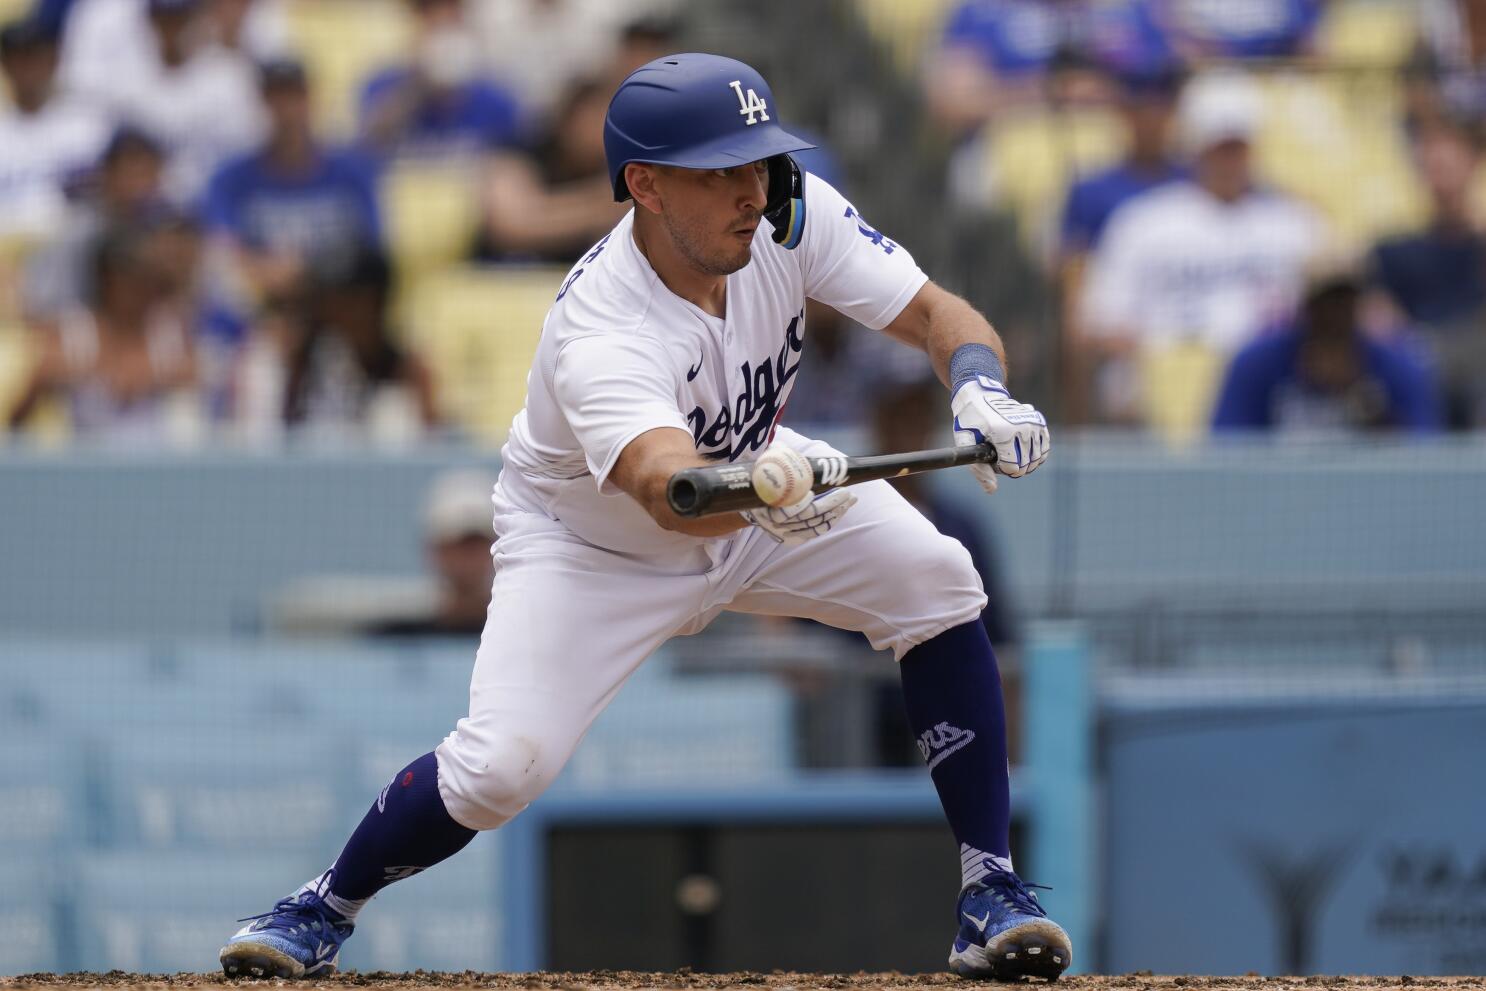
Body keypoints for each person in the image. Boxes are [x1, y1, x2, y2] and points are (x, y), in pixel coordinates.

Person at [217, 53, 1065, 982]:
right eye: (719, 172)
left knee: (939, 579)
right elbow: (674, 496)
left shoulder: (790, 209)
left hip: (758, 487)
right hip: (590, 547)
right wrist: (766, 485)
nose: (751, 190)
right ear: (645, 186)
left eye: (759, 161)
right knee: (502, 768)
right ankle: (320, 908)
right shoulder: (602, 327)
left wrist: (980, 389)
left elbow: (941, 314)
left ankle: (991, 891)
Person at [1078, 68, 1324, 423]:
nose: (1229, 159)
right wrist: (1168, 361)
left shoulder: (1294, 224)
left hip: (1270, 384)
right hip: (1163, 383)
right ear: (1196, 147)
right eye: (1218, 147)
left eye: (1236, 146)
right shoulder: (1144, 221)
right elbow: (1100, 322)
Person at [204, 58, 382, 308]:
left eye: (294, 96)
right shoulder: (230, 178)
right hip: (260, 307)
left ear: (311, 99)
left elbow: (374, 250)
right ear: (262, 103)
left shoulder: (353, 172)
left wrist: (307, 271)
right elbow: (221, 252)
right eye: (276, 98)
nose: (286, 109)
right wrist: (267, 271)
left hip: (336, 303)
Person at [7, 224, 198, 445]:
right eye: (131, 279)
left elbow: (198, 379)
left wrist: (152, 376)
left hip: (157, 467)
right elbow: (18, 421)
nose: (140, 289)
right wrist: (52, 377)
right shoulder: (72, 333)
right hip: (87, 469)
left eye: (146, 278)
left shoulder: (171, 332)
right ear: (107, 280)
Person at [61, 0, 265, 204]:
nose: (172, 29)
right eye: (164, 20)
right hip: (147, 209)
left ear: (196, 19)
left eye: (180, 19)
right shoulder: (128, 84)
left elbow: (246, 153)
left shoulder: (227, 77)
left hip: (210, 203)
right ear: (150, 21)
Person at [1211, 264, 1442, 434]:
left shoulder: (1397, 368)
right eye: (1324, 304)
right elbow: (1228, 448)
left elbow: (1422, 456)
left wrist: (1363, 401)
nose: (1334, 315)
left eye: (1344, 303)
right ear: (1305, 307)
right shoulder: (1256, 364)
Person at [22, 125, 169, 323]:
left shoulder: (160, 230)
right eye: (133, 174)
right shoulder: (76, 231)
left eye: (148, 174)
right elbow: (48, 305)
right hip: (75, 333)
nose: (141, 187)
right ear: (107, 175)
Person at [475, 77, 628, 264]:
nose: (600, 129)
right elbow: (510, 227)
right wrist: (597, 206)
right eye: (594, 116)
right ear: (568, 117)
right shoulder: (520, 153)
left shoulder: (619, 168)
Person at [357, 0, 523, 163]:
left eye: (451, 27)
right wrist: (415, 87)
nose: (443, 41)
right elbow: (367, 145)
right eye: (435, 27)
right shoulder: (383, 86)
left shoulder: (495, 99)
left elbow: (514, 163)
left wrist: (455, 96)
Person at [1371, 114, 1486, 330]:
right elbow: (1381, 321)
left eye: (1448, 162)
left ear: (1472, 161)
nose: (1439, 169)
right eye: (1431, 161)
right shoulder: (1392, 253)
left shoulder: (1480, 246)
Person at [0, 16, 109, 240]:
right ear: (6, 64)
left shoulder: (91, 127)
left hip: (74, 250)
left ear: (55, 59)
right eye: (19, 58)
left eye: (36, 57)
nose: (28, 68)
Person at [365, 468, 499, 639]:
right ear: (434, 550)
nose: (467, 560)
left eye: (476, 545)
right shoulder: (391, 638)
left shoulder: (518, 637)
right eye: (457, 546)